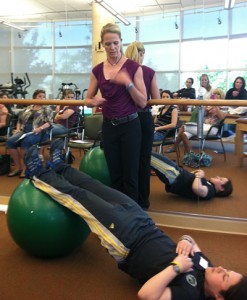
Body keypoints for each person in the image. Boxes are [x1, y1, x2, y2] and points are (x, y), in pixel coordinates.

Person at [23, 139, 246, 300]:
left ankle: (38, 174)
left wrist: (176, 268)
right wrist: (187, 239)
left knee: (81, 198)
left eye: (225, 277)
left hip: (127, 242)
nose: (222, 269)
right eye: (229, 270)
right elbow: (191, 243)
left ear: (219, 297)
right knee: (96, 187)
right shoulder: (208, 266)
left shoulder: (190, 293)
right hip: (144, 223)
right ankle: (60, 167)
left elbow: (147, 295)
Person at [84, 23, 147, 203]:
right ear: (102, 45)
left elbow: (142, 102)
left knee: (130, 174)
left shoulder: (134, 68)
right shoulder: (97, 70)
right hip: (109, 126)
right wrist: (93, 101)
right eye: (108, 44)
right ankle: (120, 215)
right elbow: (87, 100)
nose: (112, 47)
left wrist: (128, 83)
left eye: (115, 43)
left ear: (121, 42)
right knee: (115, 173)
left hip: (130, 126)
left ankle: (135, 216)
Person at [125, 41, 160, 209]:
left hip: (126, 119)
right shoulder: (149, 72)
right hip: (144, 118)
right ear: (142, 53)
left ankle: (129, 202)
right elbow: (156, 98)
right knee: (144, 160)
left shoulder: (121, 71)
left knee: (128, 161)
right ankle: (143, 201)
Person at [6, 89, 53, 178]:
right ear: (34, 97)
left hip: (37, 131)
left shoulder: (46, 108)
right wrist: (18, 129)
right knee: (10, 142)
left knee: (25, 142)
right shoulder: (28, 108)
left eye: (43, 96)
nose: (42, 98)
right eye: (39, 96)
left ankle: (25, 168)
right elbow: (19, 121)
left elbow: (49, 122)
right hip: (24, 130)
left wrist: (40, 128)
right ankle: (18, 167)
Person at [166, 88, 226, 155]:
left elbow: (221, 116)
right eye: (214, 93)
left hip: (212, 129)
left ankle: (174, 146)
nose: (215, 95)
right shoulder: (210, 104)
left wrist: (215, 105)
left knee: (183, 127)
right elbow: (201, 115)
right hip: (203, 126)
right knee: (184, 134)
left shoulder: (224, 106)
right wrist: (206, 108)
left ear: (221, 96)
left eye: (218, 94)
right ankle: (190, 155)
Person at [150, 152, 232, 201]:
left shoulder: (210, 192)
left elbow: (197, 189)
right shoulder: (209, 185)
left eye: (220, 179)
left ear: (221, 188)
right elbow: (191, 181)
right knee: (148, 158)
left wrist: (199, 176)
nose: (218, 176)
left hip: (174, 174)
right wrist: (196, 174)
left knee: (148, 155)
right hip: (176, 173)